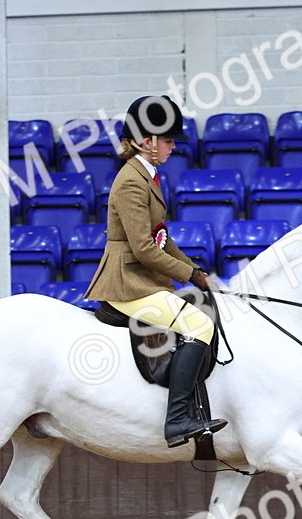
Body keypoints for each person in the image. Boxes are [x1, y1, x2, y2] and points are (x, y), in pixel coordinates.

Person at [85, 95, 228, 448]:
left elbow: (161, 238)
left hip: (143, 278)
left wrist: (196, 270)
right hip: (127, 283)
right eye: (166, 140)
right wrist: (190, 276)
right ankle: (178, 418)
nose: (172, 145)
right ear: (146, 141)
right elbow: (145, 249)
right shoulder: (132, 181)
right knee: (199, 325)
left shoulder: (147, 176)